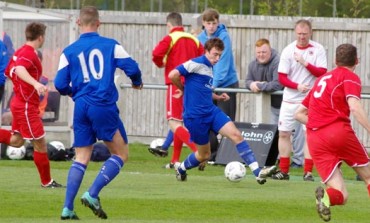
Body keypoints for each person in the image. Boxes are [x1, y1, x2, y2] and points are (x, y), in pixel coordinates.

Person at [54, 6, 143, 220]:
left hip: (81, 106)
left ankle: (67, 208)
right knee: (120, 154)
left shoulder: (69, 51)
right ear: (98, 23)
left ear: (78, 23)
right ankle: (92, 194)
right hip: (102, 104)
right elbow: (132, 68)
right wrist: (137, 82)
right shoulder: (111, 45)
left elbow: (59, 84)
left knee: (81, 157)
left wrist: (73, 92)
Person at [169, 37, 276, 184]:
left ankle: (258, 172)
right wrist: (183, 88)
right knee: (204, 155)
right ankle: (181, 168)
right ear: (206, 51)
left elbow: (204, 90)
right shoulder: (195, 63)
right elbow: (172, 75)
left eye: (219, 55)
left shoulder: (210, 68)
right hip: (195, 117)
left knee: (236, 135)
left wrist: (218, 97)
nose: (217, 58)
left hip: (211, 112)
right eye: (214, 54)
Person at [295, 43, 370, 222]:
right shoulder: (349, 77)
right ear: (357, 61)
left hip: (315, 138)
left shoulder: (321, 79)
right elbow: (354, 106)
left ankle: (326, 198)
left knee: (341, 194)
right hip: (337, 132)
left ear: (335, 61)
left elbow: (297, 114)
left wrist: (319, 123)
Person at [0, 22, 63, 188]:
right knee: (40, 143)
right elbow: (20, 69)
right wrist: (35, 84)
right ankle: (47, 182)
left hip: (20, 103)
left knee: (16, 141)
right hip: (26, 106)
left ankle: (46, 181)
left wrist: (23, 86)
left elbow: (9, 72)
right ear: (41, 37)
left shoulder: (20, 51)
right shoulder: (29, 54)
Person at [271, 19, 327, 181]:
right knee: (284, 133)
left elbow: (322, 72)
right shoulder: (288, 50)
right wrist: (297, 86)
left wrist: (304, 63)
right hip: (290, 99)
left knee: (309, 134)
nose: (302, 37)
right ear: (295, 33)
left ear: (310, 32)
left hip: (310, 100)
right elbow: (282, 78)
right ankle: (284, 171)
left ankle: (308, 171)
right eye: (299, 34)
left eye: (305, 33)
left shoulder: (318, 49)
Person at [150, 12, 204, 169]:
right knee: (180, 122)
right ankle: (175, 160)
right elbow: (203, 60)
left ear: (169, 25)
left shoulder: (171, 38)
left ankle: (198, 153)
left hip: (175, 83)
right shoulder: (194, 39)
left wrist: (161, 63)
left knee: (174, 123)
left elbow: (156, 54)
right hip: (191, 85)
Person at [245, 38, 305, 168]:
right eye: (258, 52)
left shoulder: (277, 61)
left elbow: (278, 84)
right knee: (275, 133)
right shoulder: (252, 65)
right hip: (272, 106)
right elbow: (247, 81)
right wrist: (252, 84)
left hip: (291, 102)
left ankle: (298, 161)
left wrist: (260, 85)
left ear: (270, 51)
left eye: (264, 52)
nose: (261, 55)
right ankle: (278, 159)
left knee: (297, 133)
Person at [197, 8, 239, 162]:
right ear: (203, 23)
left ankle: (227, 157)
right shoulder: (199, 38)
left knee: (227, 123)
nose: (211, 26)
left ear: (218, 22)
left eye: (214, 23)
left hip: (225, 85)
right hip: (209, 86)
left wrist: (211, 86)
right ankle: (212, 156)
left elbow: (222, 66)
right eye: (208, 23)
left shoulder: (224, 37)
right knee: (207, 121)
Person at [2, 50, 48, 125]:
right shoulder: (23, 78)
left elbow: (31, 102)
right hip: (21, 111)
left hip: (33, 113)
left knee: (6, 117)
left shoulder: (41, 81)